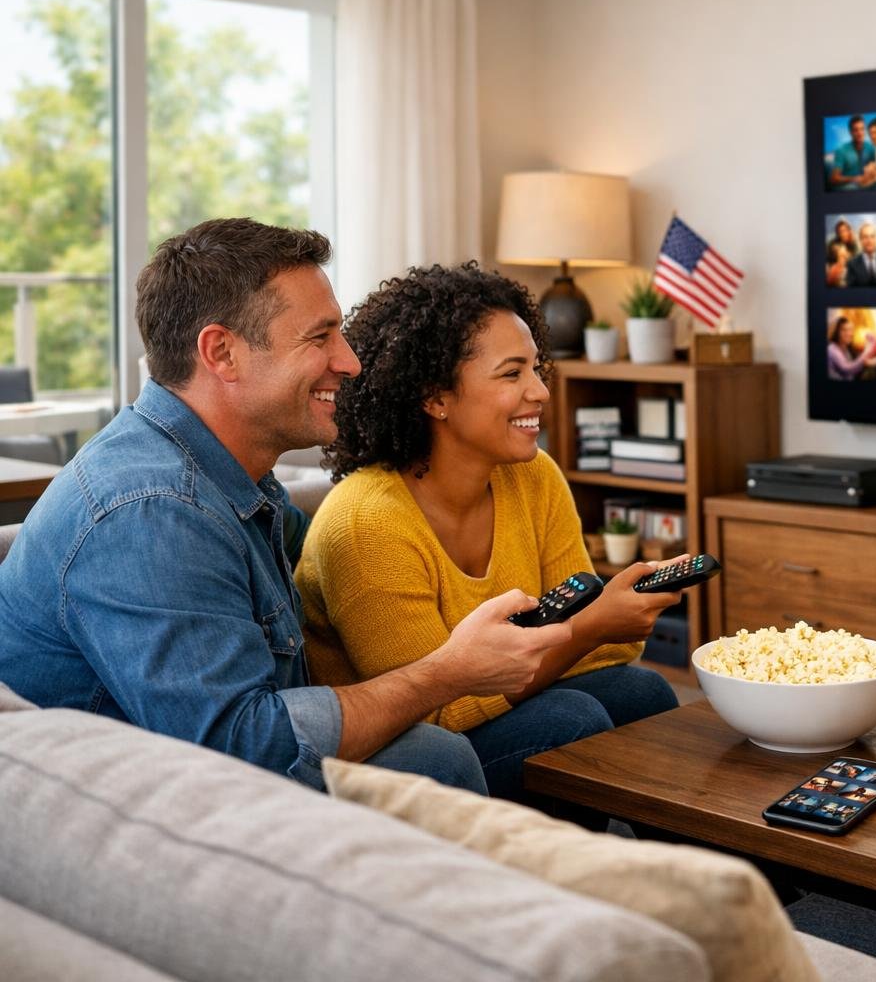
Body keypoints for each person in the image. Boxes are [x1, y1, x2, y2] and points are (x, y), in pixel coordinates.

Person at [0, 219, 574, 795]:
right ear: (221, 352)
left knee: (595, 706)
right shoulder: (154, 510)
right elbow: (242, 746)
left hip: (202, 765)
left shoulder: (236, 477)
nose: (350, 361)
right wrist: (449, 671)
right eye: (319, 337)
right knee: (435, 758)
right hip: (105, 804)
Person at [296, 263, 681, 800]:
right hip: (402, 746)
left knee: (641, 692)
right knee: (570, 720)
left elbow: (607, 657)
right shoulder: (366, 522)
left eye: (536, 369)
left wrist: (603, 623)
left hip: (486, 705)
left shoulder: (533, 476)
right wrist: (591, 625)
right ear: (436, 398)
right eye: (512, 374)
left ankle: (690, 876)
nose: (541, 391)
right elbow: (434, 708)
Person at [828, 114, 876, 189]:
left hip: (867, 186)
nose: (860, 133)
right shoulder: (841, 150)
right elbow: (834, 178)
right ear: (850, 132)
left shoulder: (870, 148)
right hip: (848, 188)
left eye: (862, 129)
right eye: (856, 130)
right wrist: (854, 179)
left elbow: (875, 167)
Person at [827, 316, 876, 381]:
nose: (849, 333)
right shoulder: (831, 349)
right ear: (836, 332)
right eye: (844, 330)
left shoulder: (845, 348)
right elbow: (847, 370)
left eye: (851, 330)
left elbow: (855, 369)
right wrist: (866, 351)